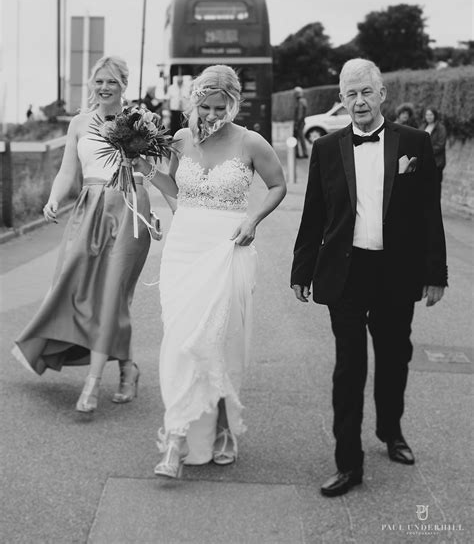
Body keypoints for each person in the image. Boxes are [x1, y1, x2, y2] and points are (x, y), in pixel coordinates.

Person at [291, 58, 447, 497]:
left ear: (382, 95)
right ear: (341, 99)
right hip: (346, 271)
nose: (358, 100)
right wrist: (301, 270)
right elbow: (315, 215)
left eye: (365, 92)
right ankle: (348, 463)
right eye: (350, 93)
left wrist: (436, 274)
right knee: (349, 368)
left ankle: (391, 431)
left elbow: (428, 214)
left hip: (397, 273)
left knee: (395, 358)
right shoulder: (326, 149)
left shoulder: (415, 142)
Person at [133, 64, 287, 479]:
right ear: (194, 102)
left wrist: (253, 220)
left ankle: (221, 430)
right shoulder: (181, 139)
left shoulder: (250, 141)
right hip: (184, 249)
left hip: (228, 248)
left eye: (221, 107)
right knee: (181, 342)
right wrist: (143, 167)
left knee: (216, 342)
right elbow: (175, 192)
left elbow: (278, 185)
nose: (213, 115)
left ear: (234, 103)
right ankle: (176, 438)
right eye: (205, 107)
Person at [12, 56, 151, 413]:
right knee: (72, 284)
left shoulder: (138, 121)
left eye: (112, 82)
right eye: (99, 82)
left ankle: (95, 383)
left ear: (124, 85)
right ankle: (127, 366)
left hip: (129, 207)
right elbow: (67, 172)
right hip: (88, 207)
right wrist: (53, 199)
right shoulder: (78, 123)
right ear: (92, 84)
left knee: (113, 294)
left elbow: (151, 170)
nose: (104, 88)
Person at [420, 107, 447, 198]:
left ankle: (436, 209)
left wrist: (426, 151)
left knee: (435, 186)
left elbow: (440, 145)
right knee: (424, 186)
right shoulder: (423, 126)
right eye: (427, 114)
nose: (429, 117)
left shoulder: (441, 128)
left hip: (437, 163)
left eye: (431, 114)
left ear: (435, 115)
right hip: (424, 161)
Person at [293, 86, 308, 158]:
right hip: (301, 123)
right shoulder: (303, 101)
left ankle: (298, 153)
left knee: (298, 138)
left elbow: (299, 114)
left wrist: (296, 124)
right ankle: (304, 153)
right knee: (301, 138)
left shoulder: (300, 101)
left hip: (299, 123)